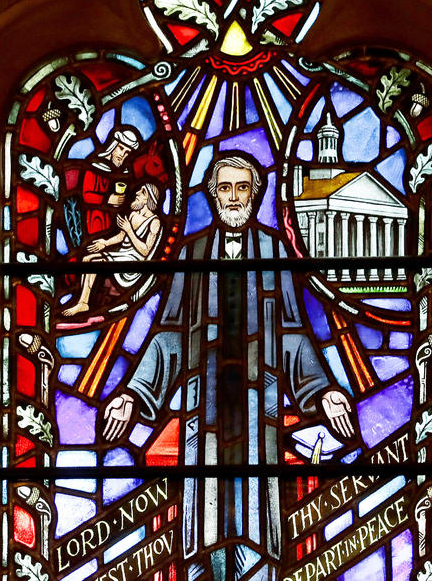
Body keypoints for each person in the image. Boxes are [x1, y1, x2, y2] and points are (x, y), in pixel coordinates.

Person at [101, 154, 356, 580]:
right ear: (212, 194)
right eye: (225, 188)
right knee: (205, 524)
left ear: (255, 196)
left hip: (261, 413)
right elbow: (169, 335)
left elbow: (293, 332)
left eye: (242, 188)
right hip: (207, 411)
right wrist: (132, 393)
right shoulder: (192, 252)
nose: (233, 197)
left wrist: (322, 389)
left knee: (259, 525)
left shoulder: (274, 251)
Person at [61, 183, 163, 316]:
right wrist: (105, 242)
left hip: (134, 259)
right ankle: (82, 302)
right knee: (86, 259)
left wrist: (129, 230)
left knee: (94, 262)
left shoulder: (154, 222)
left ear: (148, 199)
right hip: (122, 253)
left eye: (142, 192)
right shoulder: (133, 215)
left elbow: (145, 251)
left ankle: (84, 303)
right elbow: (121, 236)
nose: (137, 193)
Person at [80, 126, 141, 235]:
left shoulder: (124, 173)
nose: (123, 155)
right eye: (121, 148)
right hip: (94, 220)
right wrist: (108, 199)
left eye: (127, 152)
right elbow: (86, 195)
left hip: (113, 222)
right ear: (113, 146)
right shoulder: (94, 167)